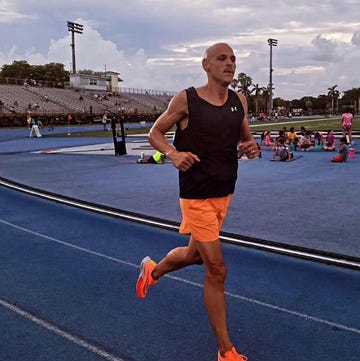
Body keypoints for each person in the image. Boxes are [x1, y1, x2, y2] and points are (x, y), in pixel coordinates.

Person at [136, 43, 257, 361]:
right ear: (206, 65)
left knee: (195, 255)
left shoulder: (239, 101)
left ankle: (153, 270)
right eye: (222, 58)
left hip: (224, 193)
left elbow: (244, 137)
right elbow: (155, 133)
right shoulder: (186, 99)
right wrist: (173, 153)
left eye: (233, 58)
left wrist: (249, 146)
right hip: (196, 195)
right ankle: (225, 351)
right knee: (217, 269)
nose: (229, 63)